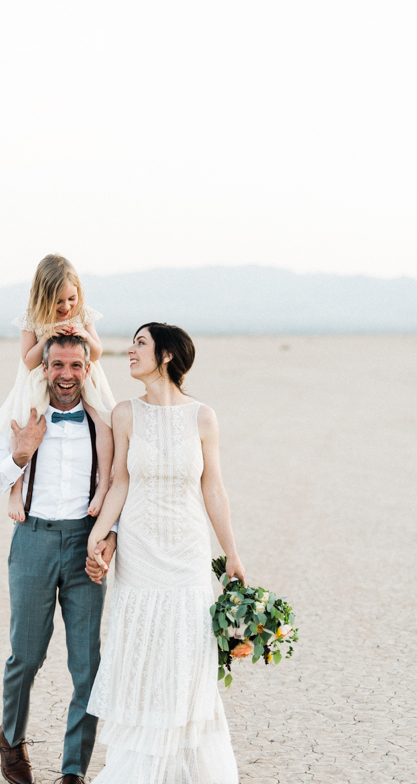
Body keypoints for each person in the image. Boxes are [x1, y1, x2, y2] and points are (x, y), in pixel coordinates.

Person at [85, 322, 244, 784]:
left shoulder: (203, 417)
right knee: (145, 655)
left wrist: (231, 553)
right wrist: (98, 536)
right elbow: (120, 481)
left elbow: (213, 487)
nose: (129, 351)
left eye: (140, 344)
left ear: (167, 356)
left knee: (187, 657)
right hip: (140, 554)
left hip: (189, 553)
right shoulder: (125, 413)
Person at [0, 332, 117, 784]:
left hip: (84, 544)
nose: (66, 375)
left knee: (87, 666)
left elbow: (119, 486)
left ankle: (73, 771)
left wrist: (108, 539)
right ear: (44, 369)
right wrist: (21, 454)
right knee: (26, 656)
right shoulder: (19, 421)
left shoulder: (104, 425)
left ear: (88, 370)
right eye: (58, 365)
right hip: (33, 542)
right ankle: (12, 739)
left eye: (76, 366)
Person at [0, 254, 116, 521]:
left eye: (71, 299)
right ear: (43, 298)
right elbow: (28, 360)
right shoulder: (32, 318)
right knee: (24, 422)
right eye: (58, 301)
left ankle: (102, 486)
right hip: (43, 376)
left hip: (84, 373)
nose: (66, 307)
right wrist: (47, 337)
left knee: (104, 422)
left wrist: (85, 334)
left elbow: (96, 353)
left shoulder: (82, 313)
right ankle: (16, 490)